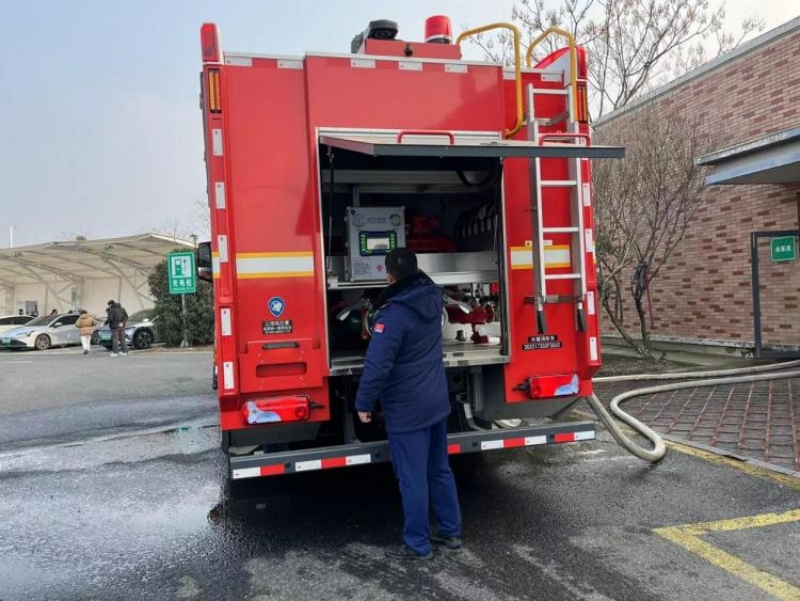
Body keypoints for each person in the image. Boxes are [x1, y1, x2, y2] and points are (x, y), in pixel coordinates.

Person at [355, 248, 462, 561]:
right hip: (436, 402)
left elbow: (378, 365)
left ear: (389, 277)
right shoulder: (433, 298)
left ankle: (417, 544)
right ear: (416, 270)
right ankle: (451, 531)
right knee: (439, 470)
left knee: (412, 478)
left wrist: (364, 402)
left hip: (407, 409)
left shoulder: (393, 314)